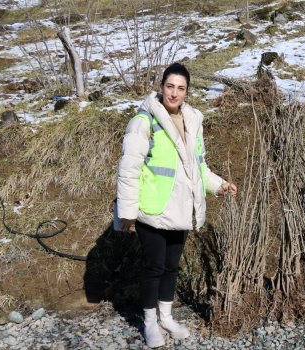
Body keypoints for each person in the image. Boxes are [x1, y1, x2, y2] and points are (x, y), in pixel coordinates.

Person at [116, 63, 237, 347]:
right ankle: (149, 323)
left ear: (186, 92)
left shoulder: (194, 120)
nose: (174, 93)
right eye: (170, 86)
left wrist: (218, 184)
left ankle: (166, 317)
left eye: (181, 88)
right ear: (161, 87)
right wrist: (128, 213)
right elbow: (129, 170)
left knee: (171, 267)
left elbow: (198, 166)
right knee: (153, 267)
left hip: (182, 208)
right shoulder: (143, 122)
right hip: (153, 209)